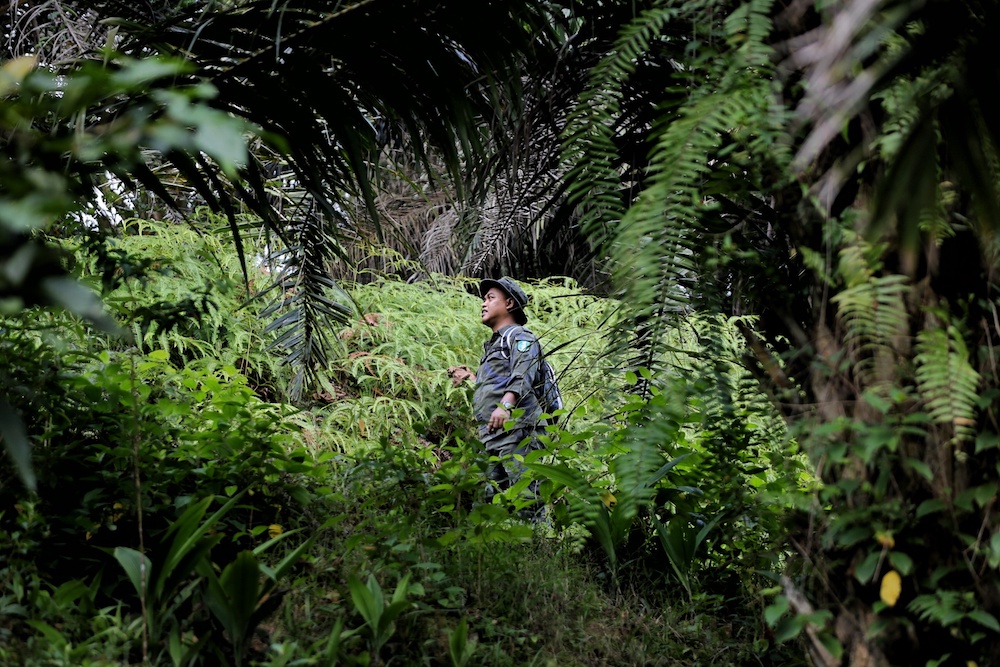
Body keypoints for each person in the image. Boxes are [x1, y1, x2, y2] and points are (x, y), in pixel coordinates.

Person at [469, 277, 547, 510]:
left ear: (510, 303)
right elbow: (496, 385)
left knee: (526, 497)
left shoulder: (520, 336)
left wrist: (505, 406)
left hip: (517, 430)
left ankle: (538, 543)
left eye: (490, 298)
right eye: (484, 299)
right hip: (492, 435)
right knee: (493, 502)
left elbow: (523, 373)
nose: (484, 303)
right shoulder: (495, 345)